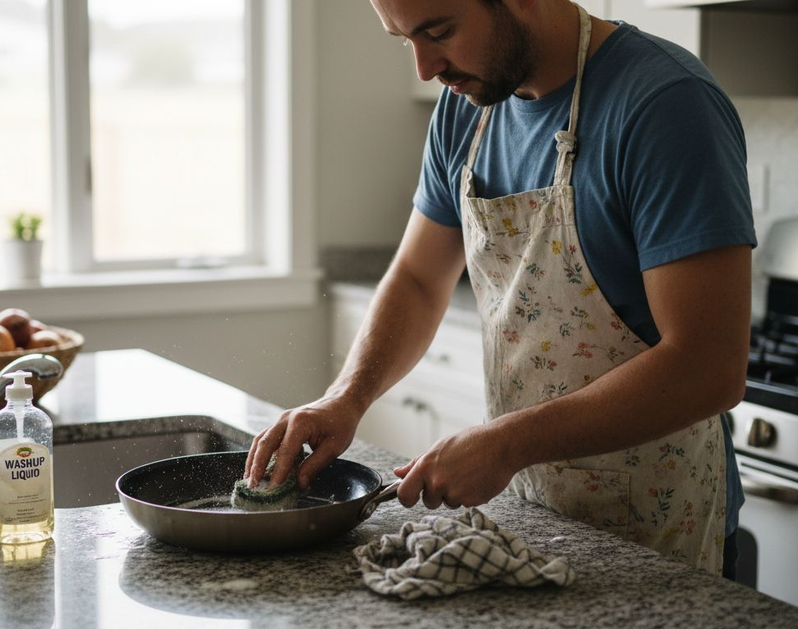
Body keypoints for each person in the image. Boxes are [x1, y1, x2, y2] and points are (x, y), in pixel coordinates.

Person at [246, 0, 754, 576]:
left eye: (438, 32)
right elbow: (417, 279)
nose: (424, 67)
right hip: (531, 515)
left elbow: (708, 366)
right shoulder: (468, 109)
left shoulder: (666, 104)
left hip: (659, 529)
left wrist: (505, 444)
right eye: (404, 40)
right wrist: (346, 398)